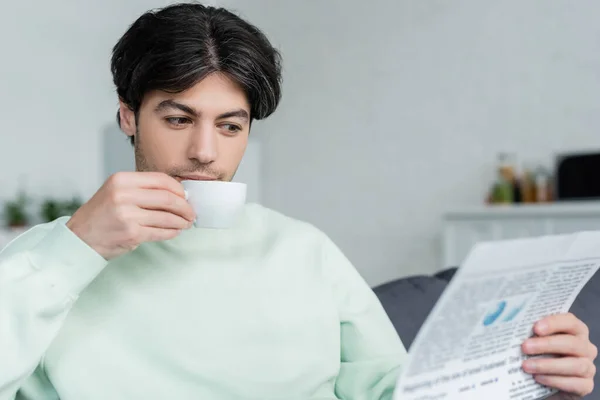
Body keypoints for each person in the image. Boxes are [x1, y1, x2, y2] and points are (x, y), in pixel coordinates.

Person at [0, 3, 595, 400]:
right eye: (179, 119)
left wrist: (531, 379)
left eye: (231, 126)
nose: (205, 151)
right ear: (129, 117)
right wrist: (76, 249)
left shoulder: (302, 249)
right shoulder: (51, 258)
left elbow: (389, 386)